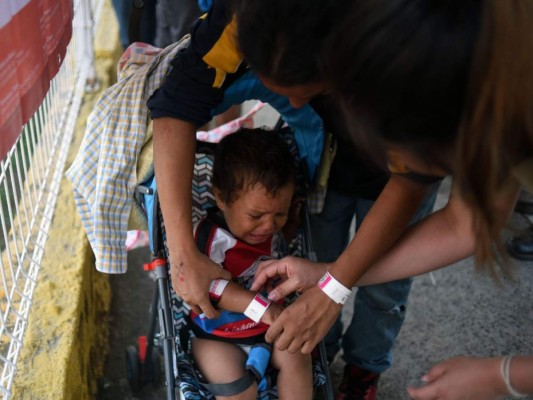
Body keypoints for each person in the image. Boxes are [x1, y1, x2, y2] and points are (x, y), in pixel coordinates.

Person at [147, 1, 440, 398]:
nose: (297, 107)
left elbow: (420, 185)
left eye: (307, 92)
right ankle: (328, 349)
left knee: (379, 295)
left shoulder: (405, 56)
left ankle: (361, 371)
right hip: (226, 330)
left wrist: (333, 286)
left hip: (396, 150)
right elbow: (177, 102)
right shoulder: (240, 18)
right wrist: (183, 253)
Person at [252, 1, 533, 399]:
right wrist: (331, 278)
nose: (398, 170)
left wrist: (505, 375)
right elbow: (462, 226)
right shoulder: (484, 78)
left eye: (400, 154)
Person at [188, 128, 312, 399]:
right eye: (256, 215)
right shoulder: (211, 238)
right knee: (237, 391)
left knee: (298, 357)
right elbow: (210, 288)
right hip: (216, 333)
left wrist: (289, 224)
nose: (268, 226)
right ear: (221, 198)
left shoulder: (271, 228)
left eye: (279, 213)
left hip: (270, 326)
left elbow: (276, 250)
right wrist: (261, 307)